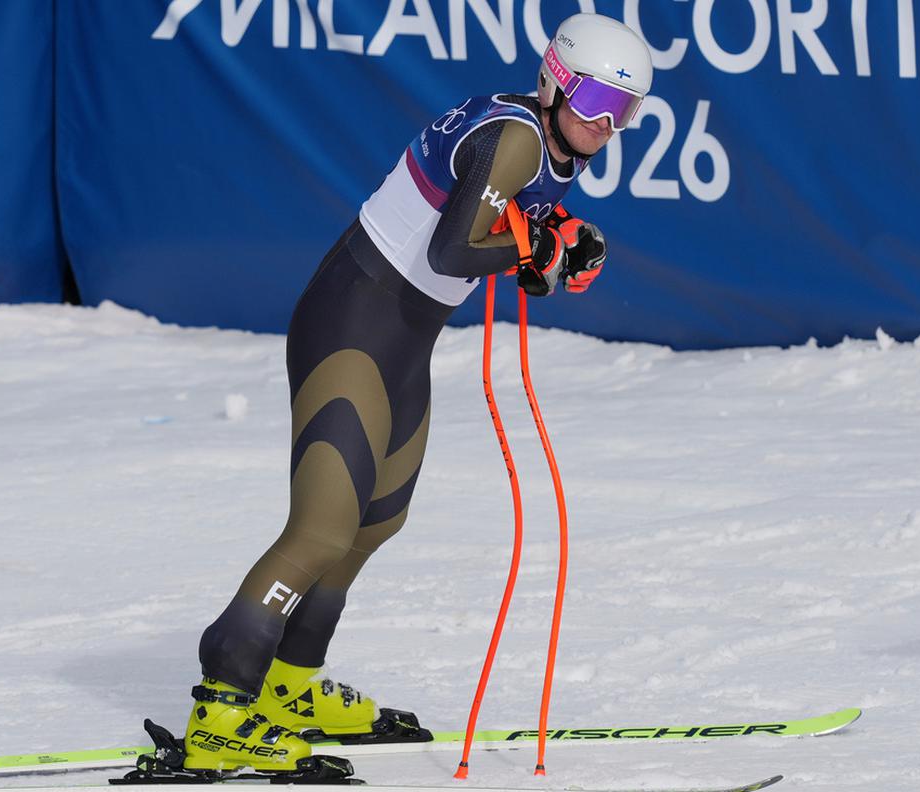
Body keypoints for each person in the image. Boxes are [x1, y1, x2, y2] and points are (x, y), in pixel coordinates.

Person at [180, 13, 654, 776]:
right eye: (596, 98)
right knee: (322, 530)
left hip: (402, 338)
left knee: (376, 523)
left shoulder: (545, 141)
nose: (604, 123)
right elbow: (456, 245)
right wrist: (540, 246)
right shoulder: (520, 136)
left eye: (623, 110)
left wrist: (552, 234)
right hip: (354, 323)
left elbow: (500, 220)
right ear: (556, 79)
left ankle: (291, 686)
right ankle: (223, 700)